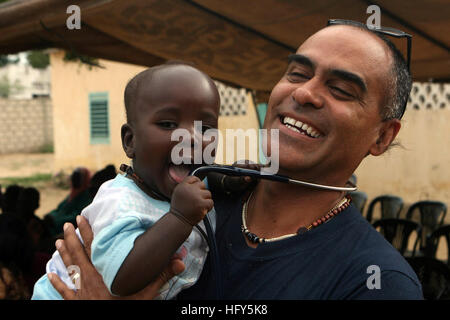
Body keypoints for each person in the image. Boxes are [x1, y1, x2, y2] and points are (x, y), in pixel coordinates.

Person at [47, 22, 424, 299]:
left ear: (382, 136)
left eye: (341, 89)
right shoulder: (197, 194)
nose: (305, 93)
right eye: (297, 73)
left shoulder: (375, 281)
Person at [32, 62, 221, 299]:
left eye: (205, 128)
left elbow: (211, 182)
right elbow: (120, 279)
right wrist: (180, 217)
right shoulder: (120, 202)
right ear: (130, 141)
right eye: (168, 124)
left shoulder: (189, 189)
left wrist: (231, 180)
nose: (191, 137)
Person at [44, 167, 93, 237]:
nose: (75, 181)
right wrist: (50, 216)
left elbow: (76, 217)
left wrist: (54, 220)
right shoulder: (72, 195)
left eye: (78, 178)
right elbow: (59, 208)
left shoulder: (87, 199)